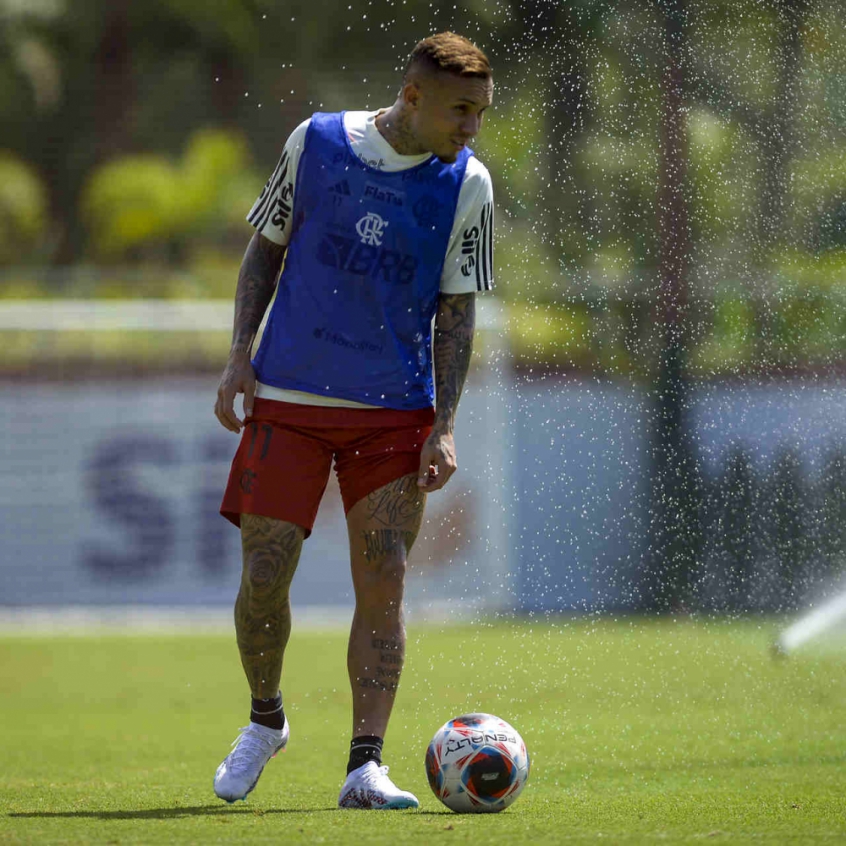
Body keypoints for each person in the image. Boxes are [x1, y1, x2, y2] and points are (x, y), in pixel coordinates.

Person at [212, 31, 495, 810]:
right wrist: (240, 356)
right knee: (262, 578)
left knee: (387, 583)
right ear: (413, 97)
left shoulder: (467, 182)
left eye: (481, 112)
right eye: (460, 110)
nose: (472, 127)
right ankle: (265, 720)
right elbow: (263, 253)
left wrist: (443, 424)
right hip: (291, 400)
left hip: (393, 413)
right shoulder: (316, 141)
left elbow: (456, 314)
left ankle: (364, 767)